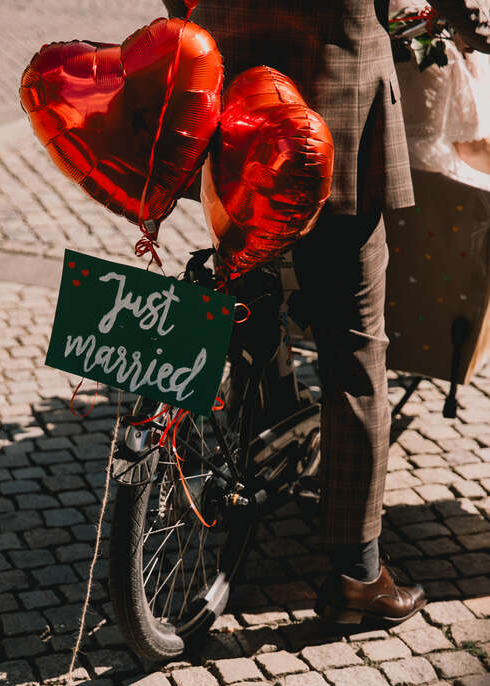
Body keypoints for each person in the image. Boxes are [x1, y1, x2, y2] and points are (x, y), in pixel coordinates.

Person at [163, 0, 490, 627]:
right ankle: (357, 575)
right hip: (334, 116)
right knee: (355, 346)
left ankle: (269, 399)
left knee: (242, 259)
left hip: (235, 109)